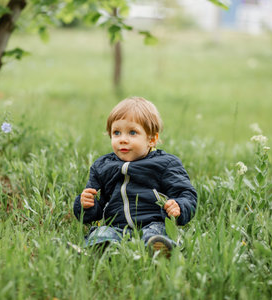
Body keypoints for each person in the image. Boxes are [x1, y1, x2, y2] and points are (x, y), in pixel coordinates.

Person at [73, 97, 197, 256]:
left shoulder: (165, 163)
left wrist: (179, 206)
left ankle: (159, 250)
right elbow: (95, 210)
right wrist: (86, 205)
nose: (123, 139)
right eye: (116, 133)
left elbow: (187, 194)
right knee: (102, 233)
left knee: (155, 234)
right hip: (116, 226)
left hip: (154, 222)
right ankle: (96, 249)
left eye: (132, 132)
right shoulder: (102, 166)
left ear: (151, 139)